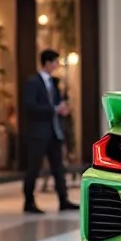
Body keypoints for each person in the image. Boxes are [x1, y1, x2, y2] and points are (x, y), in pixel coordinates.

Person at [21, 49, 79, 214]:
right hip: (38, 133)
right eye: (55, 62)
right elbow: (30, 106)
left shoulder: (54, 83)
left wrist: (62, 109)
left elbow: (57, 104)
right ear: (47, 62)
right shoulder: (33, 82)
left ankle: (63, 199)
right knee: (33, 168)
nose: (57, 65)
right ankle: (28, 201)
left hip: (54, 132)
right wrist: (53, 109)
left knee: (58, 168)